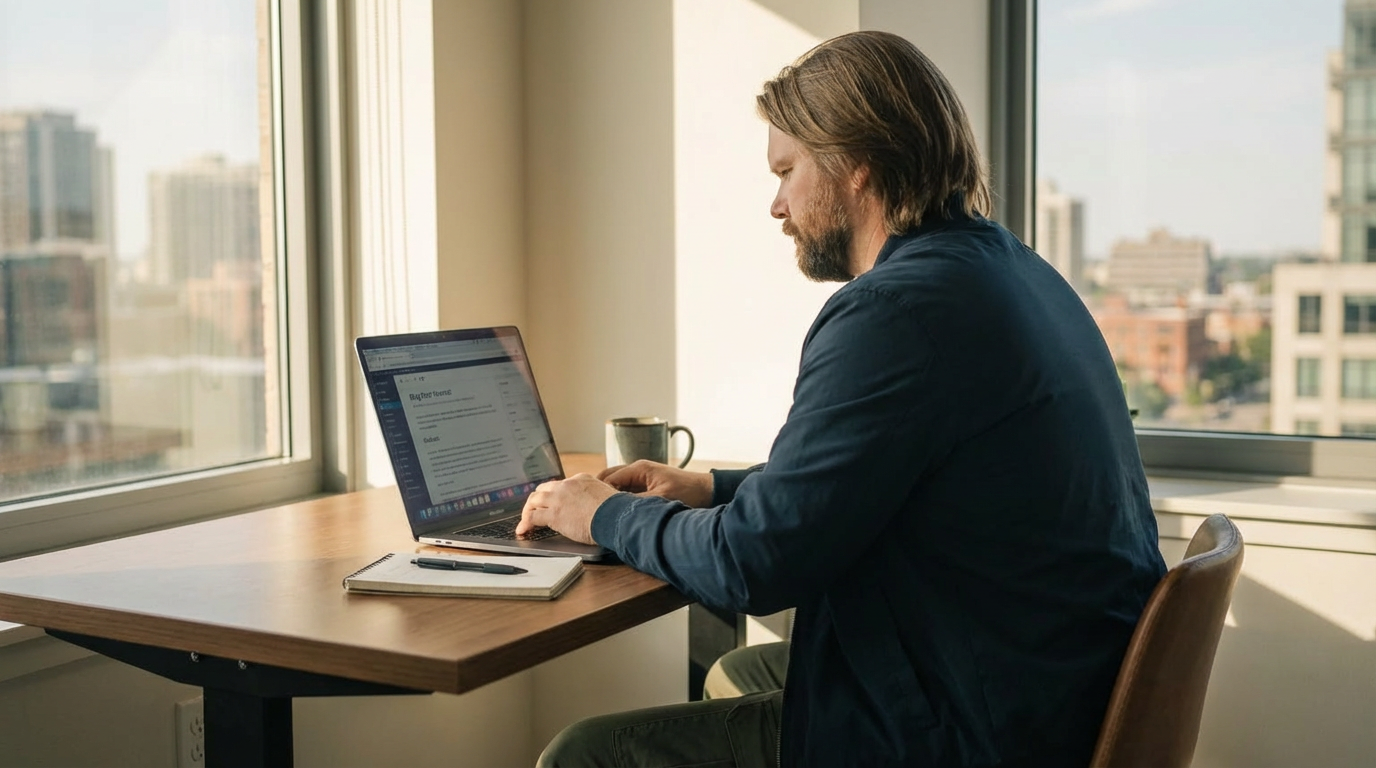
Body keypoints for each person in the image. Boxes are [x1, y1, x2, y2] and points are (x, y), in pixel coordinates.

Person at [516, 29, 1166, 768]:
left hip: (980, 728)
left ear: (857, 163)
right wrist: (710, 487)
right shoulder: (1013, 271)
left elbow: (753, 568)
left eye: (787, 170)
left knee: (581, 755)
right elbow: (896, 481)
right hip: (1042, 684)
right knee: (738, 672)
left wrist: (600, 512)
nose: (776, 205)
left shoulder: (895, 313)